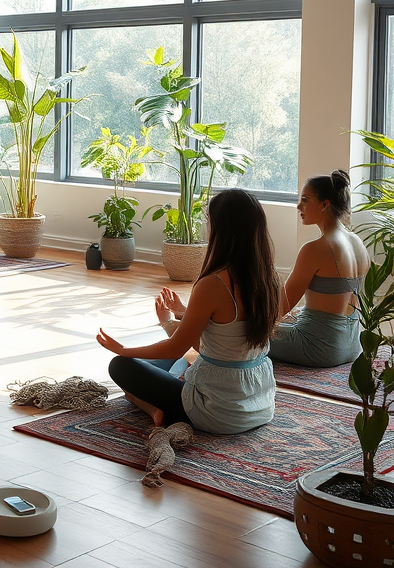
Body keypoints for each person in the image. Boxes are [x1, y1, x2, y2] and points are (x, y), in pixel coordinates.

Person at [97, 189, 283, 434]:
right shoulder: (272, 280)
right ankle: (154, 400)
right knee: (176, 361)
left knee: (121, 366)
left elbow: (176, 347)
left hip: (217, 413)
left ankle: (153, 408)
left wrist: (123, 350)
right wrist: (179, 316)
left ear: (220, 228)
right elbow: (218, 345)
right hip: (259, 406)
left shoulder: (213, 283)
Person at [269, 171, 370, 367]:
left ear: (325, 204)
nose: (299, 206)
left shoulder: (315, 249)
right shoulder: (357, 242)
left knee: (237, 334)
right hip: (352, 346)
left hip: (319, 348)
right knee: (296, 315)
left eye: (305, 200)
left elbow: (281, 306)